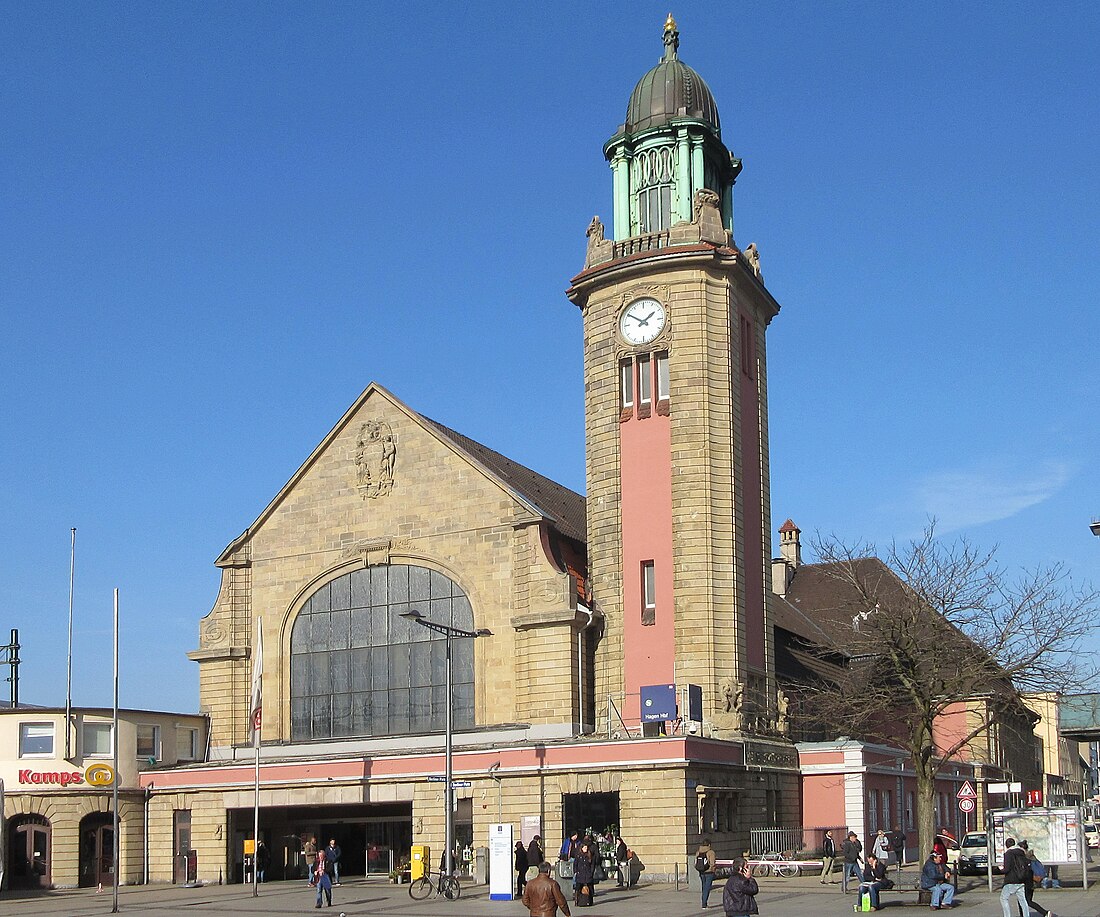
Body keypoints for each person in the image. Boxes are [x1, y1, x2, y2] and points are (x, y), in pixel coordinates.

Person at [1018, 841, 1056, 917]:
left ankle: (1045, 913)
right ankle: (1043, 913)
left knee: (1026, 901)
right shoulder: (1032, 857)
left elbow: (1025, 871)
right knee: (1025, 900)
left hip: (1028, 881)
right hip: (1032, 882)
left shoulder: (1025, 858)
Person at [1001, 839, 1032, 917]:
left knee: (1003, 898)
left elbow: (1007, 869)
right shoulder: (1021, 852)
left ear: (1006, 845)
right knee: (1023, 900)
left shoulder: (1008, 853)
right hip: (1021, 879)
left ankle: (1007, 915)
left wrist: (1000, 870)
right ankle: (1026, 915)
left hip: (1011, 880)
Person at [695, 837, 717, 906]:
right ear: (709, 845)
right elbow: (712, 863)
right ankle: (704, 903)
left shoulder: (698, 852)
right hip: (709, 872)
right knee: (707, 888)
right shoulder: (711, 852)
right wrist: (713, 869)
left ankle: (703, 901)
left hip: (701, 871)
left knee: (704, 886)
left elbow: (695, 862)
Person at [573, 839, 595, 906]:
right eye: (584, 847)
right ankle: (577, 901)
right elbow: (575, 864)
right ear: (581, 848)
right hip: (580, 874)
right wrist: (576, 871)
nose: (586, 849)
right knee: (578, 888)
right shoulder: (578, 855)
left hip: (588, 874)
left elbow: (592, 865)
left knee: (590, 888)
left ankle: (590, 901)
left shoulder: (589, 855)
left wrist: (591, 872)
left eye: (586, 847)